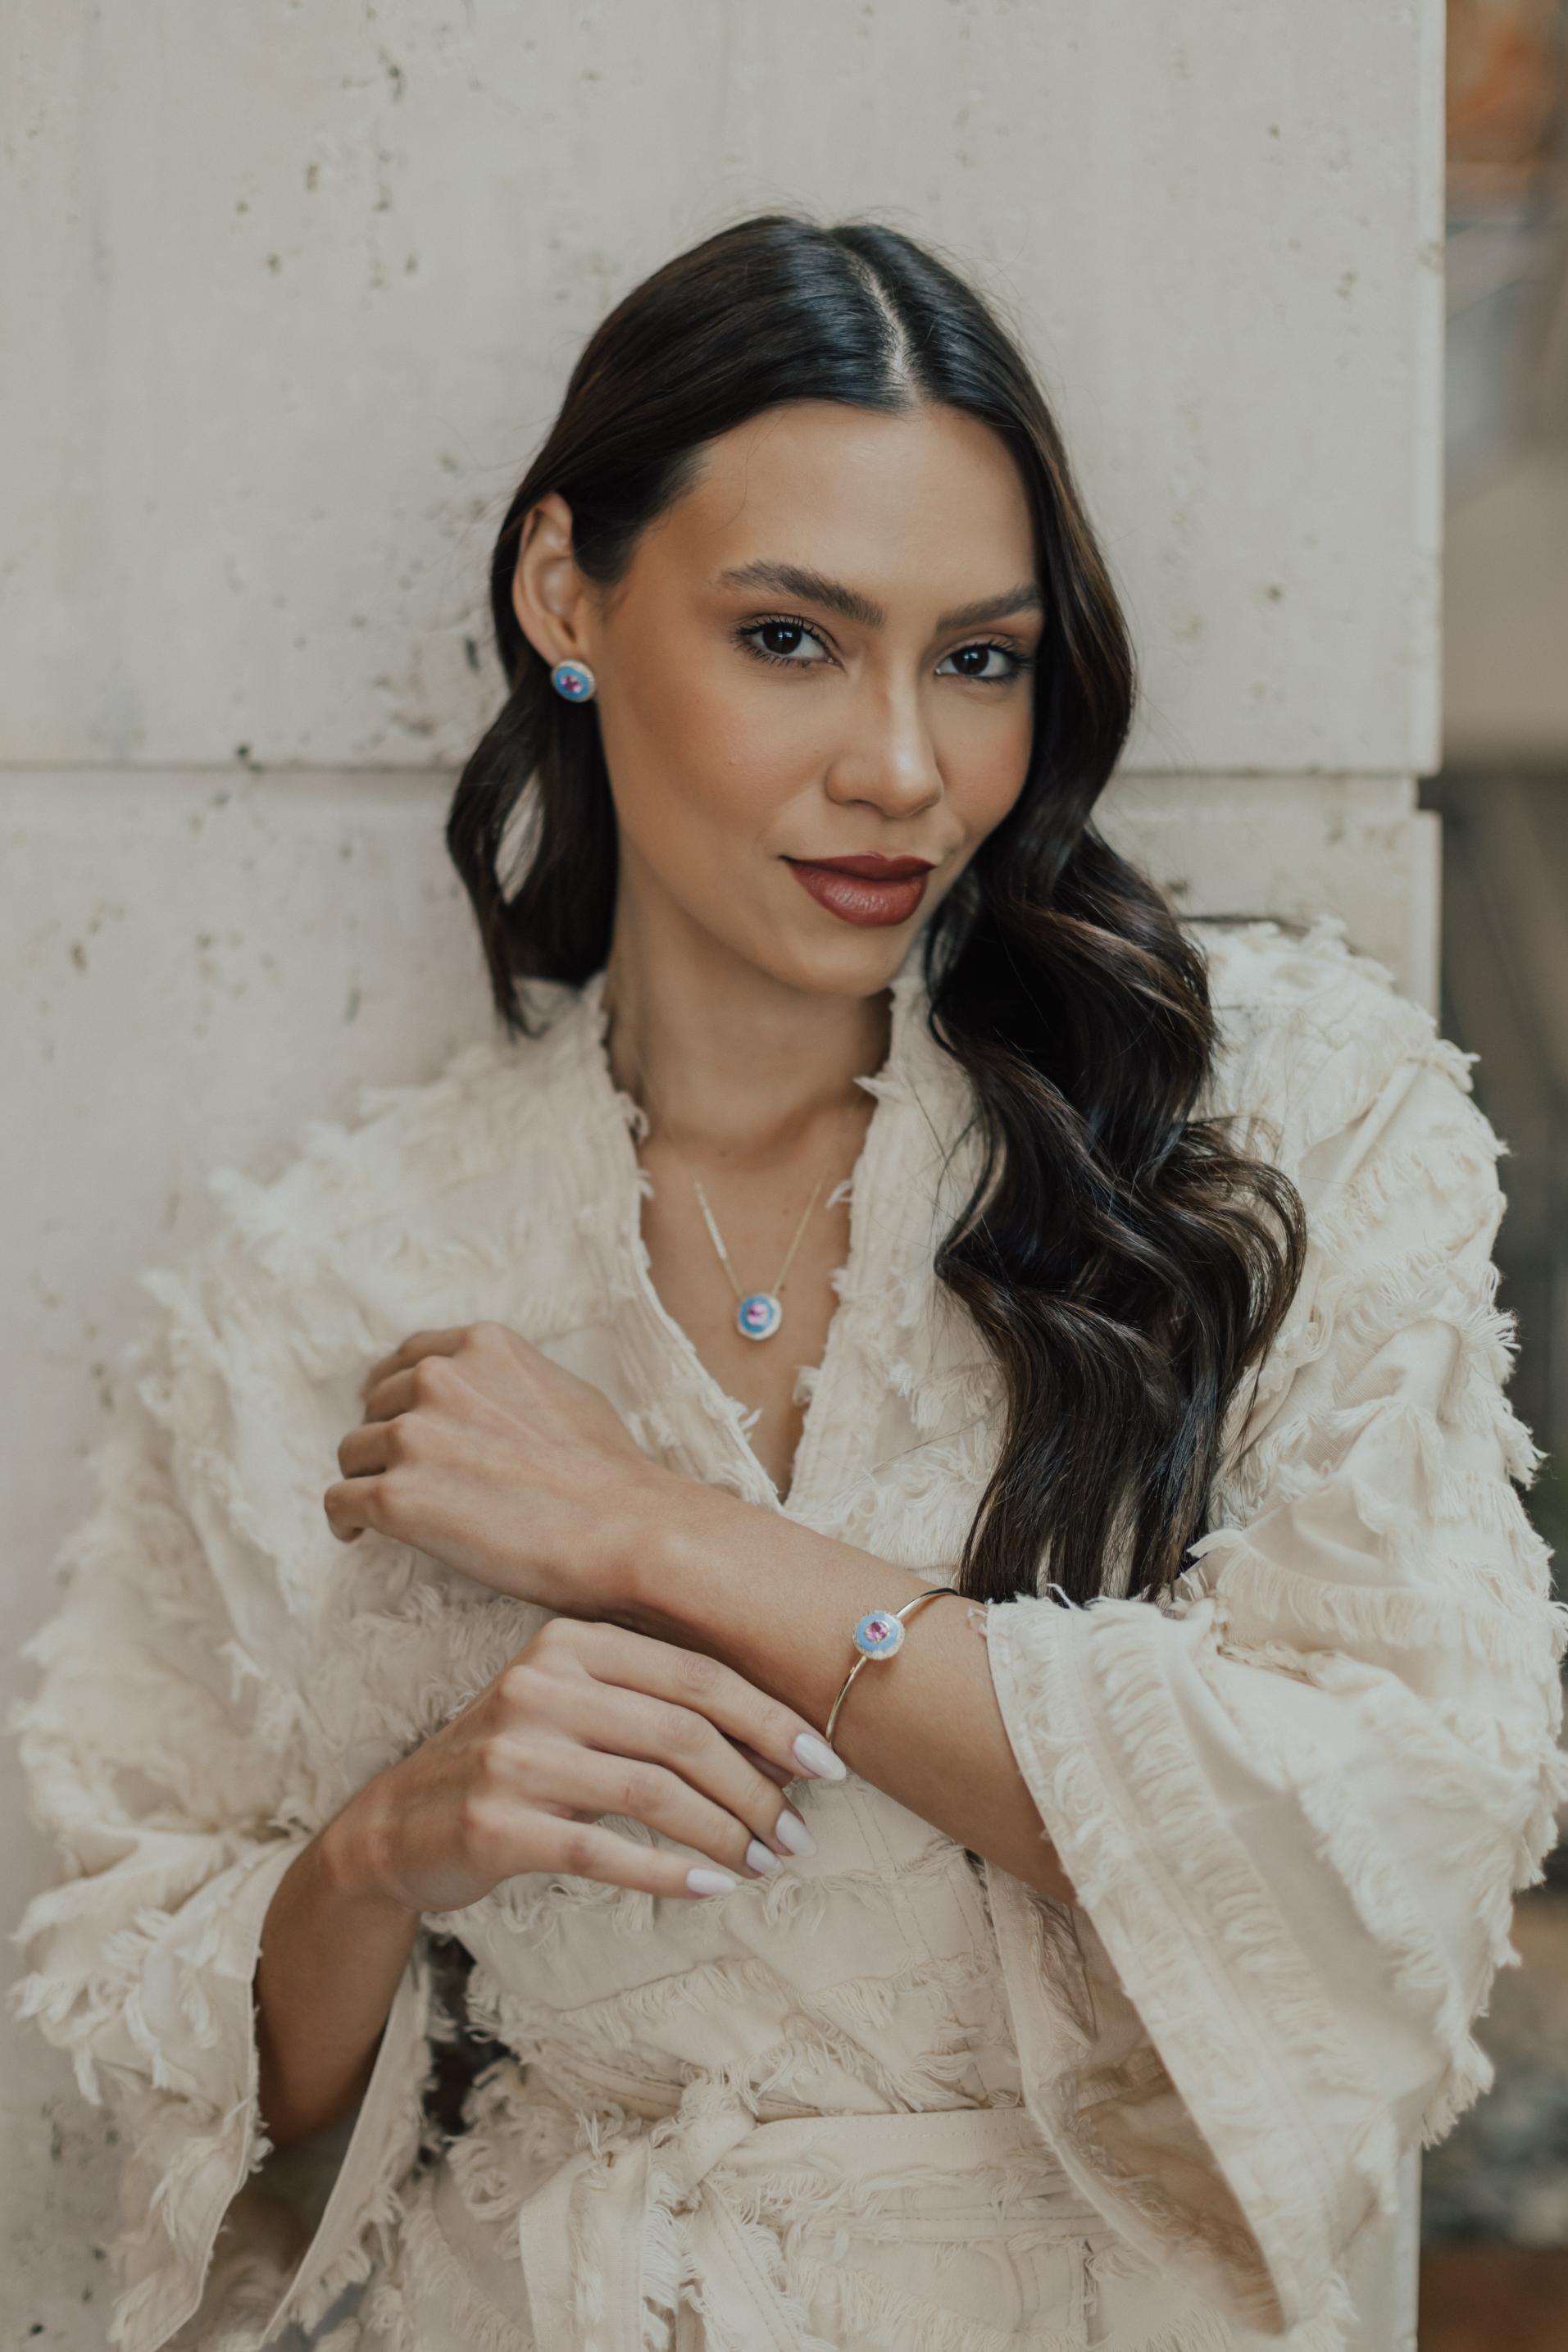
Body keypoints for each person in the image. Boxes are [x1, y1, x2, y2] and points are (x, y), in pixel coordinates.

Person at [12, 212, 1567, 2352]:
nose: (903, 767)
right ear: (566, 592)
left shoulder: (1267, 1132)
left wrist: (665, 1537)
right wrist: (382, 1853)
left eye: (980, 660)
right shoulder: (330, 1275)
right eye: (788, 638)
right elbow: (168, 2103)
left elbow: (1395, 1834)